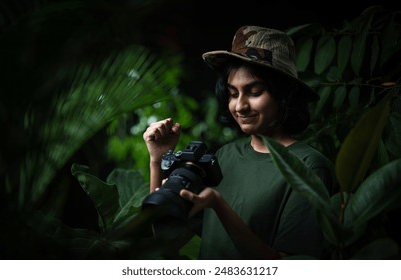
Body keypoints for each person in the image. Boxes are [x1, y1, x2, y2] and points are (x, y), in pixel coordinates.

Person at [142, 25, 335, 259]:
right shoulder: (225, 156)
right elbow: (166, 236)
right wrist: (158, 159)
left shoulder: (308, 166)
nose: (240, 106)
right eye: (233, 94)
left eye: (254, 92)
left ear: (284, 95)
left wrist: (219, 206)